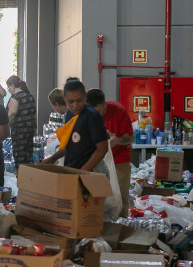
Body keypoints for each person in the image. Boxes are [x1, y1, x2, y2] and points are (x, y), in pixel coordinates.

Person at [42, 78, 108, 173]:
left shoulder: (92, 116)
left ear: (85, 97)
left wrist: (82, 171)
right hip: (72, 170)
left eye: (79, 100)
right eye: (70, 101)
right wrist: (53, 158)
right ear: (65, 100)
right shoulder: (70, 115)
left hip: (91, 173)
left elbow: (102, 148)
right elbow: (70, 146)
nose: (75, 105)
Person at [87, 88, 133, 216]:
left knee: (120, 195)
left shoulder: (119, 111)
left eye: (100, 111)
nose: (97, 115)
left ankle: (122, 225)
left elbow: (130, 138)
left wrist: (115, 141)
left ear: (105, 104)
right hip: (97, 159)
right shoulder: (87, 114)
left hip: (119, 159)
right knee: (98, 195)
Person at [6, 76, 37, 171]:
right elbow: (34, 116)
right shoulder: (30, 96)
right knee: (28, 157)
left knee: (19, 158)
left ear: (12, 85)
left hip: (19, 133)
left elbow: (12, 113)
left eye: (8, 87)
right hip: (30, 132)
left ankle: (21, 180)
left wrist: (5, 126)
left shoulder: (15, 97)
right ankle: (30, 180)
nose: (8, 90)